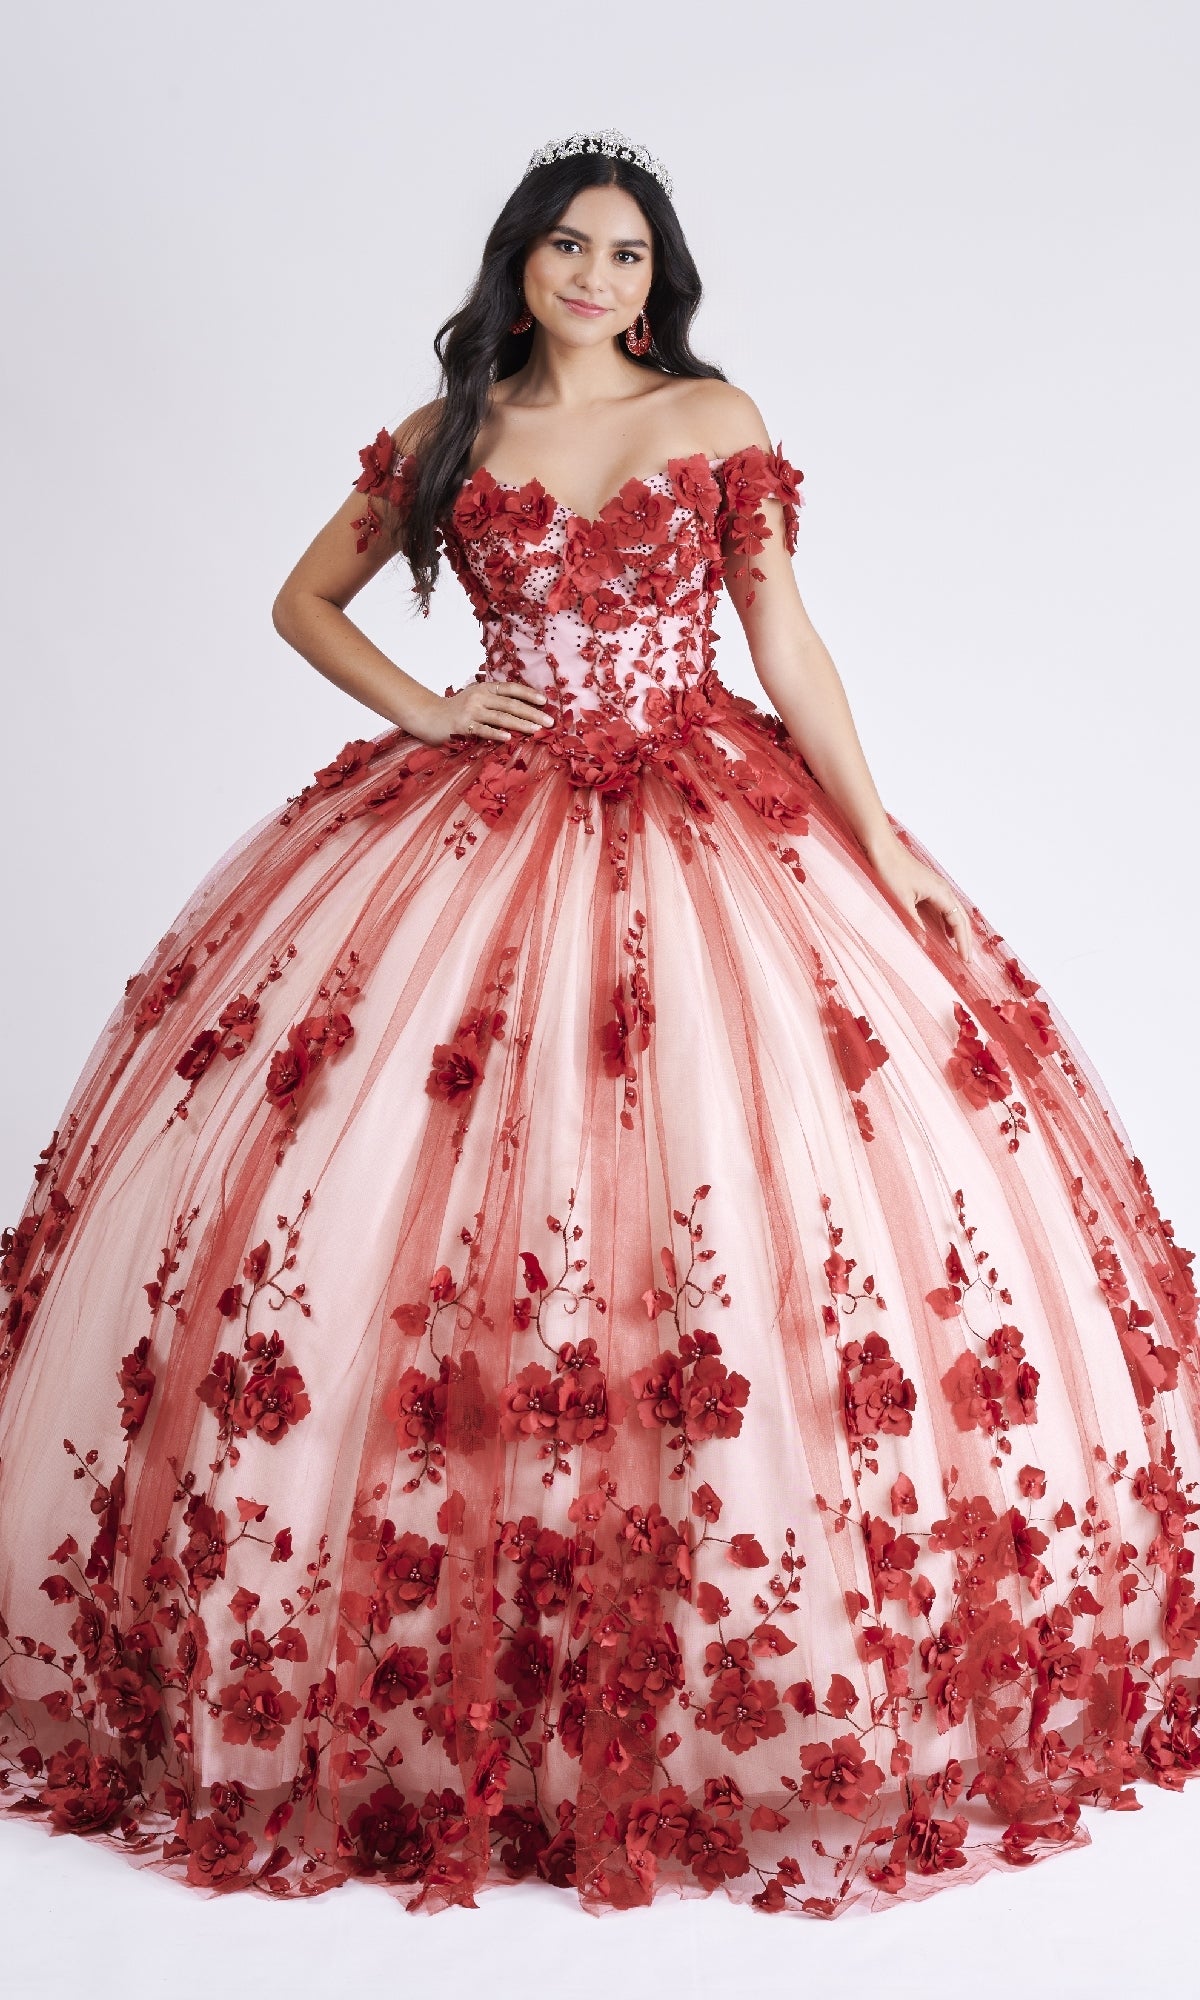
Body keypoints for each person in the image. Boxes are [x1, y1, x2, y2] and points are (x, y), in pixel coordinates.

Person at [0, 127, 1196, 1924]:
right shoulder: (450, 436)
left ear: (661, 280)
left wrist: (886, 848)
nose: (594, 277)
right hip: (476, 829)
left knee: (733, 1192)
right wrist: (430, 709)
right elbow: (300, 600)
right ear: (519, 263)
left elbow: (787, 642)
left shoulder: (714, 421)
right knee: (399, 1207)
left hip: (713, 824)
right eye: (567, 248)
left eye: (627, 254)